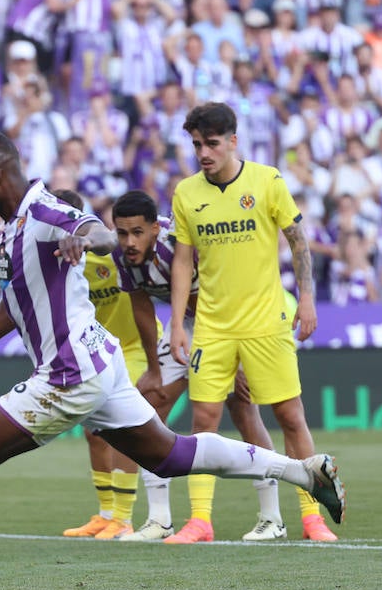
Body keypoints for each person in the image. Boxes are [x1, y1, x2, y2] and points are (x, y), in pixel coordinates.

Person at [0, 131, 345, 590]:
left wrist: (83, 238)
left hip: (69, 374)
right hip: (99, 364)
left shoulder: (46, 213)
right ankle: (303, 471)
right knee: (169, 454)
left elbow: (97, 233)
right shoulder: (11, 230)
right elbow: (14, 303)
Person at [167, 103, 339, 544]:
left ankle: (312, 518)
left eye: (211, 143)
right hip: (213, 327)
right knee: (203, 419)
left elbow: (298, 241)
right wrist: (175, 323)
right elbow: (183, 261)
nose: (203, 152)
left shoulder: (268, 181)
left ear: (233, 141)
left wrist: (307, 299)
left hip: (267, 322)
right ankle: (200, 521)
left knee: (290, 417)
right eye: (196, 144)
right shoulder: (186, 193)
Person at [105, 190, 283, 543]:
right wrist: (154, 367)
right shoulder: (122, 256)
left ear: (156, 228)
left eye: (137, 232)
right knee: (148, 408)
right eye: (122, 233)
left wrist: (239, 355)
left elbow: (229, 288)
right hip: (185, 328)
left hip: (227, 322)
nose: (129, 241)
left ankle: (272, 518)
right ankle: (159, 519)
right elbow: (141, 307)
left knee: (244, 411)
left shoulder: (181, 244)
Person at [52, 188, 144, 542]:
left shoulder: (107, 254)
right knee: (93, 431)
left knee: (120, 427)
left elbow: (118, 247)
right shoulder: (59, 267)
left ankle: (123, 518)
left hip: (135, 347)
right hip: (101, 350)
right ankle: (106, 514)